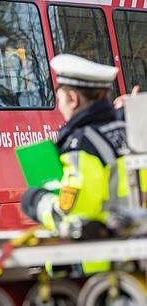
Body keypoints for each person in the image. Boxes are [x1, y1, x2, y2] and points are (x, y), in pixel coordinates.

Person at [22, 54, 129, 230]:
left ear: (73, 99)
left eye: (60, 99)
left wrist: (35, 200)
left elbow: (70, 216)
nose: (59, 107)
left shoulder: (82, 147)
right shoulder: (128, 130)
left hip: (98, 254)